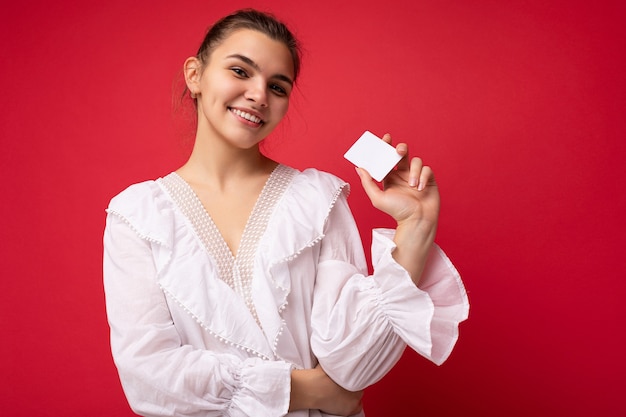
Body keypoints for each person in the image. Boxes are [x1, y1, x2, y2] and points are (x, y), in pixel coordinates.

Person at [103, 8, 469, 417]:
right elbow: (148, 376)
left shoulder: (317, 199)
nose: (259, 95)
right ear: (195, 75)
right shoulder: (136, 215)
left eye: (277, 87)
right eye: (241, 72)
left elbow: (351, 366)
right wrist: (305, 391)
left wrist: (415, 228)